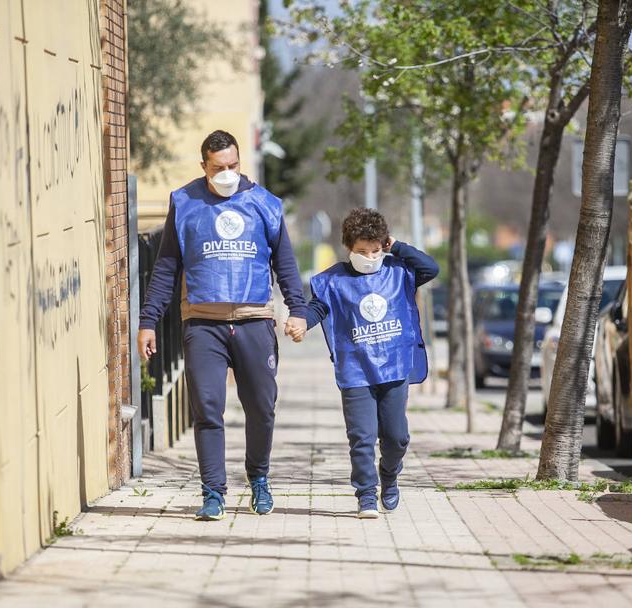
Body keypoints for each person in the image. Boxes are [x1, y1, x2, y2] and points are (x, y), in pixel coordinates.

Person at [138, 130, 307, 521]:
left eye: (233, 166)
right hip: (203, 323)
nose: (227, 174)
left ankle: (259, 479)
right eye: (218, 168)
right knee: (208, 408)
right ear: (204, 166)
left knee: (262, 408)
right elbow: (165, 267)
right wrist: (149, 321)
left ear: (240, 163)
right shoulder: (185, 203)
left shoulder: (265, 204)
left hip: (254, 321)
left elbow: (285, 264)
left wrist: (296, 309)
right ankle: (213, 491)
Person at [289, 208, 438, 518]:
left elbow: (431, 268)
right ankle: (366, 495)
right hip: (356, 370)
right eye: (361, 251)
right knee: (362, 437)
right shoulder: (334, 280)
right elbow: (317, 307)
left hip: (394, 367)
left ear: (383, 246)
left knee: (396, 437)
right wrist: (302, 322)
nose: (369, 257)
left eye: (374, 250)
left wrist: (395, 245)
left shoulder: (399, 271)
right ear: (348, 247)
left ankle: (389, 474)